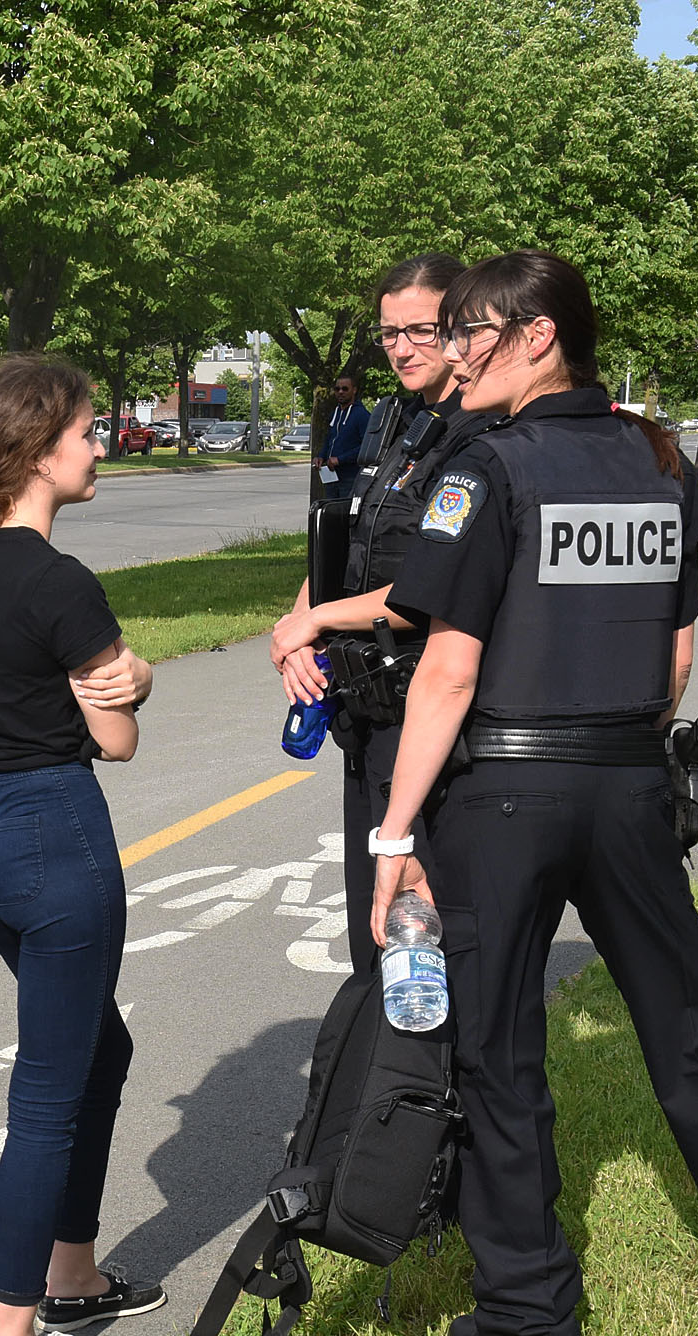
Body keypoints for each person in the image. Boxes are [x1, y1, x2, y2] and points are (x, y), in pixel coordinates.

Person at [369, 250, 698, 1336]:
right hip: (630, 779)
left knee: (499, 1049)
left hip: (503, 793)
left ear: (537, 336)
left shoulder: (483, 471)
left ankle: (532, 1321)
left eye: (473, 331)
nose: (456, 351)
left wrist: (395, 835)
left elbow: (443, 673)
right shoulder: (660, 462)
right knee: (687, 1023)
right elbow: (675, 654)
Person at [0, 355, 164, 1336]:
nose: (99, 442)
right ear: (36, 450)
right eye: (84, 430)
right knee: (48, 1094)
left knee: (97, 1047)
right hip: (56, 837)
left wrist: (114, 678)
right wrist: (139, 678)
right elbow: (116, 740)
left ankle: (72, 1273)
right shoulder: (58, 581)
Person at [270, 253, 498, 973]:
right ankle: (389, 1075)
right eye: (388, 332)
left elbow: (431, 587)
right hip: (365, 706)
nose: (401, 347)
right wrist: (297, 625)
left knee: (422, 927)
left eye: (420, 331)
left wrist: (319, 620)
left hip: (430, 712)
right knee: (373, 922)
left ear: (460, 328)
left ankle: (429, 1079)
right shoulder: (394, 418)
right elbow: (347, 539)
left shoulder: (480, 432)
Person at [316, 373, 369, 498]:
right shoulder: (336, 412)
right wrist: (321, 457)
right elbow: (330, 438)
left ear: (354, 390)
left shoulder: (361, 415)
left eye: (345, 389)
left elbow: (366, 446)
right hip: (331, 476)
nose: (340, 392)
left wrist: (340, 459)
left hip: (350, 477)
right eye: (337, 389)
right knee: (330, 511)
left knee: (344, 513)